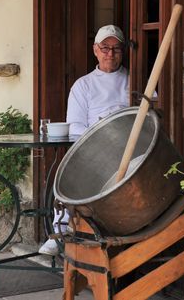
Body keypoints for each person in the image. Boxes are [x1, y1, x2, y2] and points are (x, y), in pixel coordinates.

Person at [38, 24, 130, 255]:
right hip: (93, 147)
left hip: (127, 149)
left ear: (123, 52)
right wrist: (99, 140)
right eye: (105, 47)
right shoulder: (84, 85)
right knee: (70, 174)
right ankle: (59, 231)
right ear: (95, 50)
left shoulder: (134, 80)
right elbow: (76, 125)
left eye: (116, 49)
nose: (110, 53)